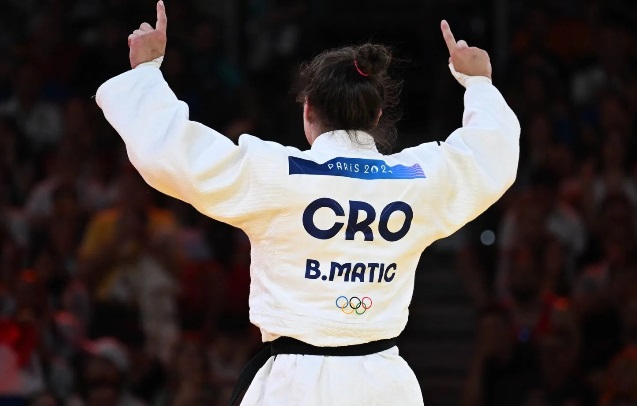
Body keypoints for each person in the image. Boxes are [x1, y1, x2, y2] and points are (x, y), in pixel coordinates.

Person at [95, 2, 520, 405]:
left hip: (292, 386)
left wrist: (146, 73)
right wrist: (479, 83)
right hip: (383, 387)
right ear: (375, 116)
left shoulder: (278, 174)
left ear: (308, 111)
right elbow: (491, 158)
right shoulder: (415, 179)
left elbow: (173, 153)